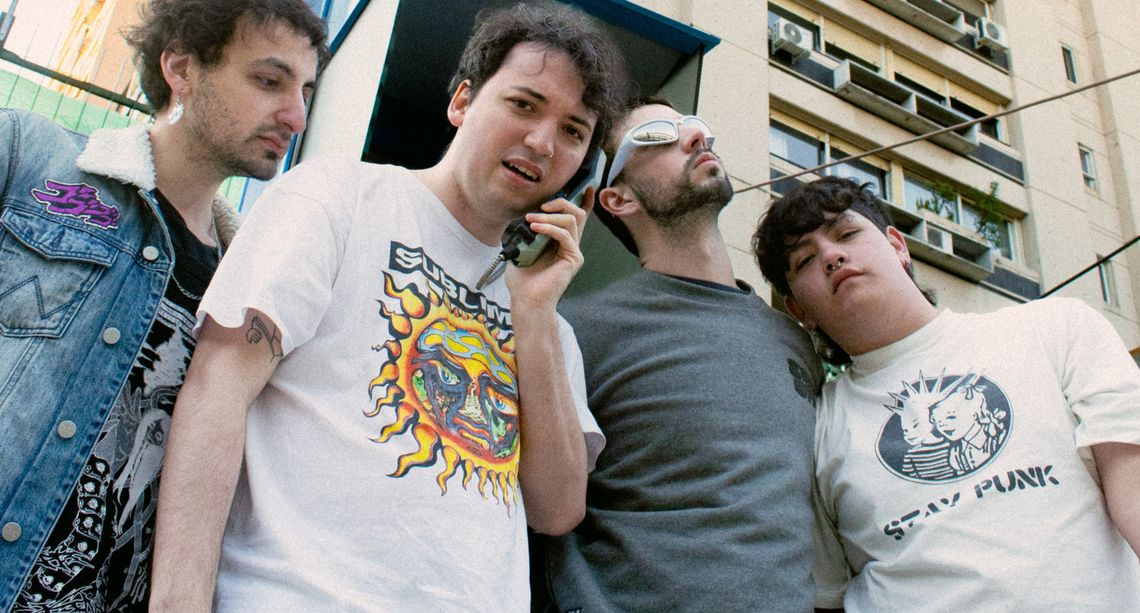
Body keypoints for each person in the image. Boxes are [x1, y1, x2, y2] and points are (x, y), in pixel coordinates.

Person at [147, 3, 627, 610]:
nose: (541, 142)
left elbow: (555, 509)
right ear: (462, 102)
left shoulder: (549, 326)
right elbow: (217, 389)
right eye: (524, 105)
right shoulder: (338, 197)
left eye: (573, 131)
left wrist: (532, 318)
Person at [0, 0, 325, 609]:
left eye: (305, 91)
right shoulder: (28, 155)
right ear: (181, 69)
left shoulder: (251, 295)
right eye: (268, 80)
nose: (296, 115)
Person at [753, 175, 1140, 611]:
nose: (831, 256)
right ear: (798, 310)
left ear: (898, 246)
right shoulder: (814, 427)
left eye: (846, 234)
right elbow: (825, 595)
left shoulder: (1055, 328)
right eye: (805, 260)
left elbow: (1133, 487)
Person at [538, 98, 822, 612]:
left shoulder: (795, 341)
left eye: (694, 127)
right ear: (618, 198)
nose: (695, 138)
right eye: (656, 138)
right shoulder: (571, 329)